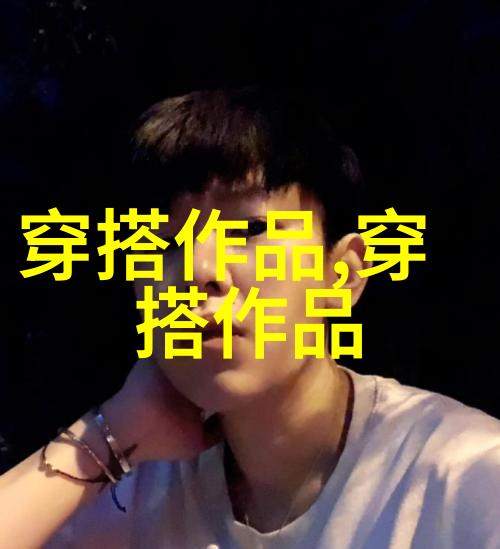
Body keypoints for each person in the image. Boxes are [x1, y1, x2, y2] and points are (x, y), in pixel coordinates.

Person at [1, 87, 500, 549]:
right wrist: (110, 432)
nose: (199, 271)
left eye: (248, 229)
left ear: (342, 275)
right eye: (163, 243)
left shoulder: (466, 472)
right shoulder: (137, 484)